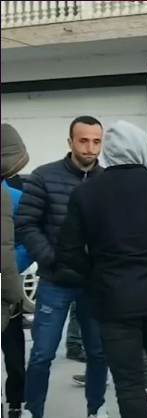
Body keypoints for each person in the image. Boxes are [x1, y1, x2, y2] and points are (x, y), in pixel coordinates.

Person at [55, 120, 147, 418]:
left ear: (108, 151)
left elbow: (68, 251)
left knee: (129, 384)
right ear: (143, 148)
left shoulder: (86, 193)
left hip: (113, 298)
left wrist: (95, 276)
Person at [15, 115, 110, 418]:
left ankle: (96, 410)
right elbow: (26, 224)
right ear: (70, 142)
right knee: (42, 354)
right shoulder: (44, 177)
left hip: (93, 283)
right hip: (55, 281)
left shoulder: (108, 181)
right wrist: (51, 258)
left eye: (96, 141)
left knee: (98, 352)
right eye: (83, 141)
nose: (90, 148)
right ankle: (33, 411)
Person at [2, 123, 29, 418]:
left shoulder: (15, 198)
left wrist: (10, 267)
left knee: (13, 355)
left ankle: (15, 402)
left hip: (6, 289)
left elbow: (27, 241)